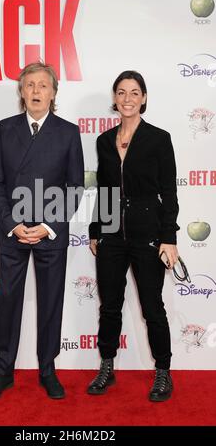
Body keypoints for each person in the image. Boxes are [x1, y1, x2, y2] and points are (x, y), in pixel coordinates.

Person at [0, 62, 84, 400]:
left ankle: (47, 370)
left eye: (43, 85)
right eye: (30, 85)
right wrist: (12, 224)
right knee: (7, 300)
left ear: (54, 93)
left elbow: (75, 187)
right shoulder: (4, 128)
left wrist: (47, 226)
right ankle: (3, 371)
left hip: (50, 234)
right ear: (21, 92)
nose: (36, 91)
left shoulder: (68, 132)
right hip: (13, 233)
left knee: (50, 302)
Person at [88, 70, 179, 402]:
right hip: (111, 231)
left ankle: (163, 372)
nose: (127, 98)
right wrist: (97, 229)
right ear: (114, 98)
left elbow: (169, 191)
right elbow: (105, 190)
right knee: (110, 306)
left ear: (143, 98)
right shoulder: (103, 140)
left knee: (152, 306)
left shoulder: (158, 138)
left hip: (148, 232)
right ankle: (107, 366)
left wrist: (169, 237)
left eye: (134, 92)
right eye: (121, 92)